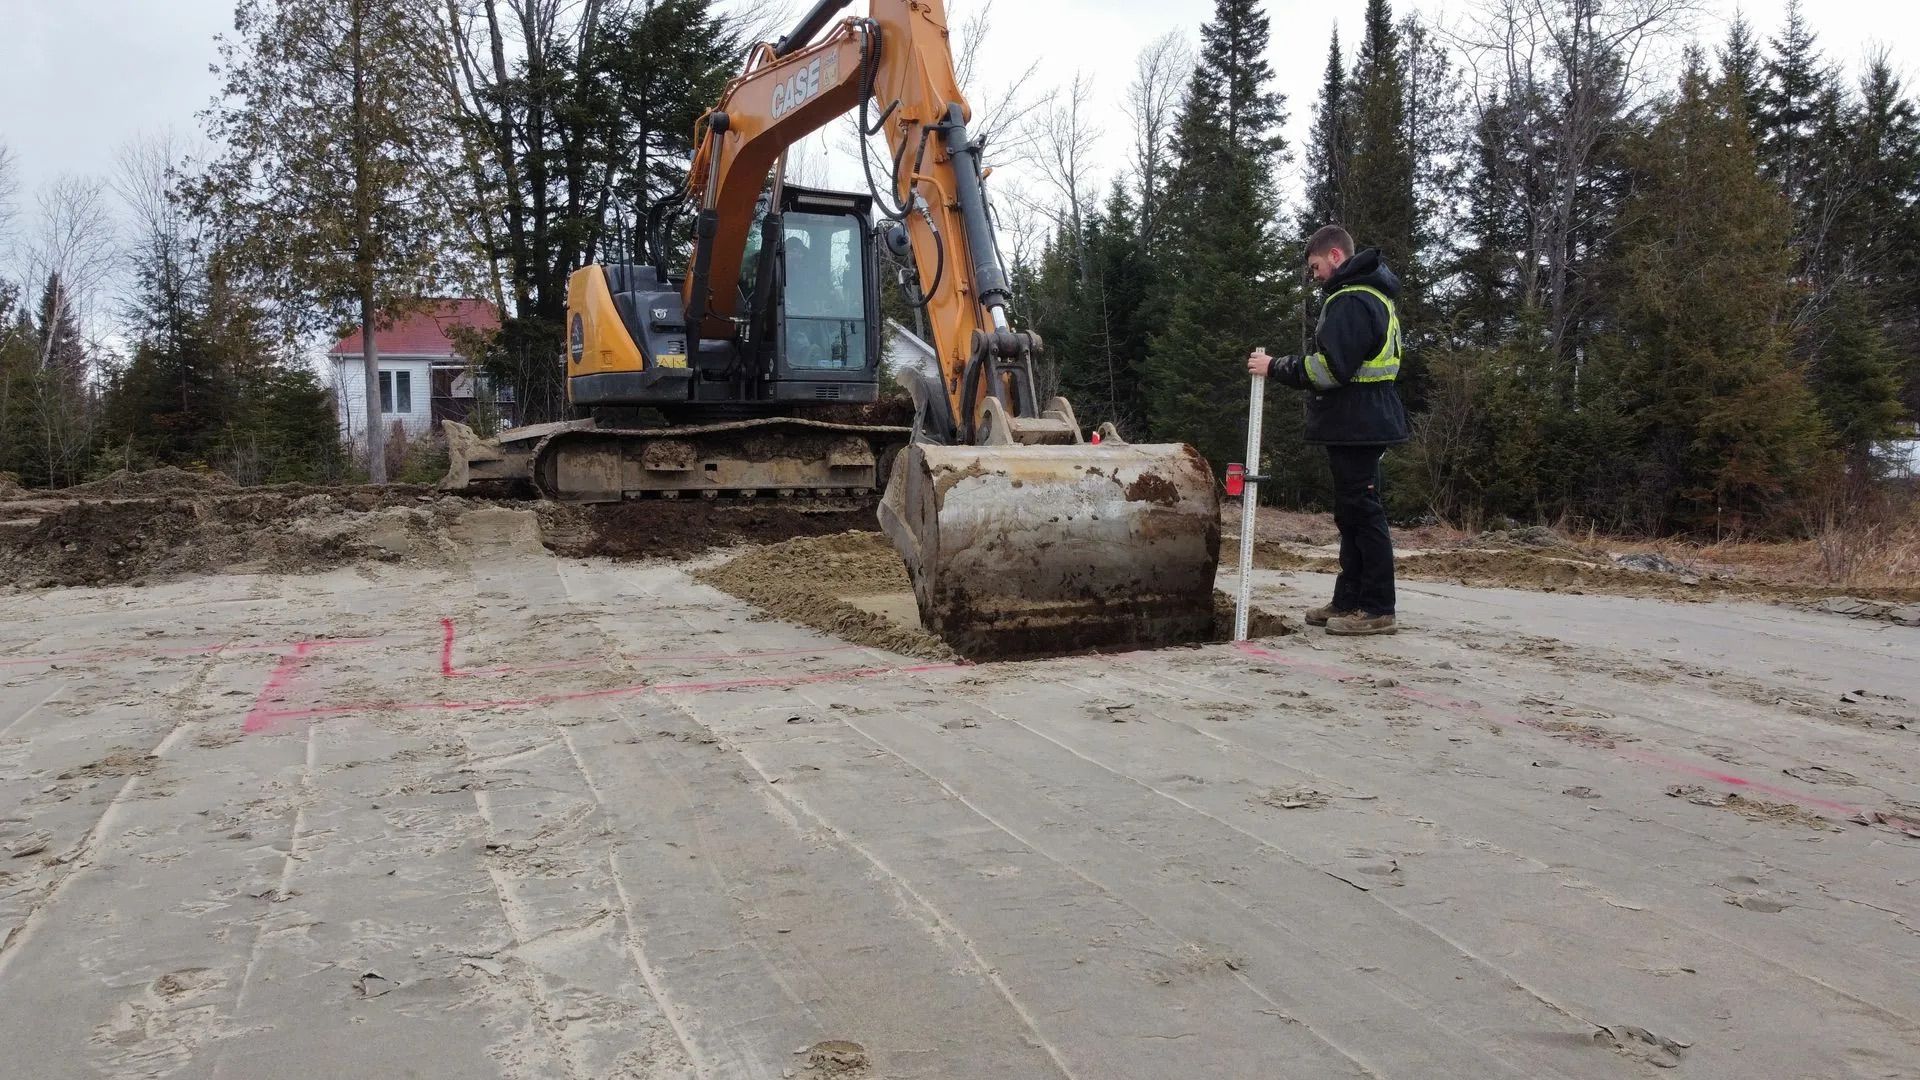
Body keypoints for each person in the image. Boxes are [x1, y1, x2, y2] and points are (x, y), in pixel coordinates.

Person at [1246, 225, 1410, 636]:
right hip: (1361, 420)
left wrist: (1278, 367)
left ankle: (1376, 608)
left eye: (1316, 266)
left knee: (1363, 513)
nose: (1315, 274)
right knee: (1351, 513)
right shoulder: (1371, 295)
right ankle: (1348, 600)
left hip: (1359, 421)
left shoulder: (1352, 300)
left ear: (1335, 257)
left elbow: (1331, 369)